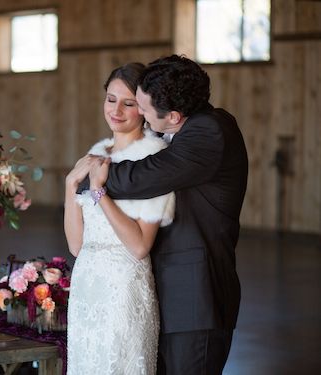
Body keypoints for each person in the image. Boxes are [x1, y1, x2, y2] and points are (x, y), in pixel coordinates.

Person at [80, 55, 249, 374]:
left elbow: (145, 176)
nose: (138, 115)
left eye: (142, 108)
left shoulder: (209, 132)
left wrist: (90, 175)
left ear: (173, 116)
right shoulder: (188, 127)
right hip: (165, 294)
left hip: (196, 300)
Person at [65, 62, 175, 374]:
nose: (117, 110)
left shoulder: (153, 158)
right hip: (87, 284)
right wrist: (70, 185)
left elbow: (140, 246)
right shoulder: (98, 152)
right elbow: (76, 245)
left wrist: (99, 192)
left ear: (144, 108)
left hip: (123, 287)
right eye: (111, 99)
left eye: (128, 103)